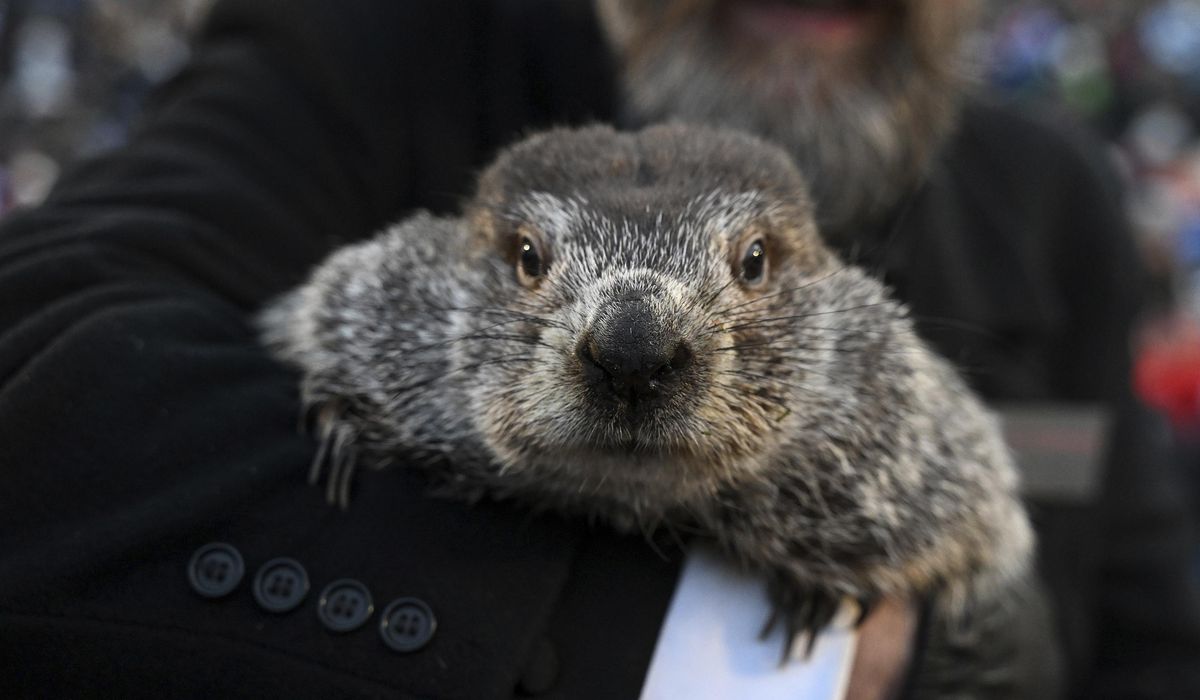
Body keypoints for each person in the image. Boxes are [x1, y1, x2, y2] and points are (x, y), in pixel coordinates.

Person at [0, 0, 1196, 697]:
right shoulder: (372, 51)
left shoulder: (1053, 201)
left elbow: (1138, 627)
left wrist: (956, 638)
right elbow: (41, 372)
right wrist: (704, 652)